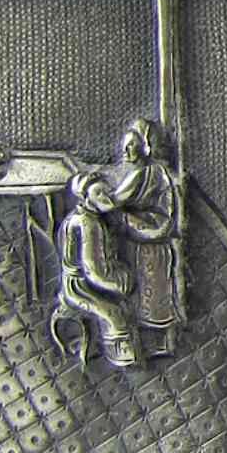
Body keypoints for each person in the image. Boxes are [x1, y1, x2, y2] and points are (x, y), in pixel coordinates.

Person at [111, 118, 186, 357]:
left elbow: (115, 201)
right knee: (156, 294)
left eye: (131, 145)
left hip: (150, 242)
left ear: (145, 147)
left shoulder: (147, 174)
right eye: (124, 146)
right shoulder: (151, 173)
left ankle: (160, 344)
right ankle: (160, 343)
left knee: (153, 295)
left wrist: (123, 217)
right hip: (151, 244)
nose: (125, 151)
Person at [51, 172, 137, 368]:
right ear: (86, 197)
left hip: (84, 282)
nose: (105, 197)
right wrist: (119, 284)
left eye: (107, 191)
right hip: (80, 288)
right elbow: (93, 272)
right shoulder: (87, 223)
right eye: (99, 193)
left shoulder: (85, 217)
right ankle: (123, 361)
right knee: (114, 313)